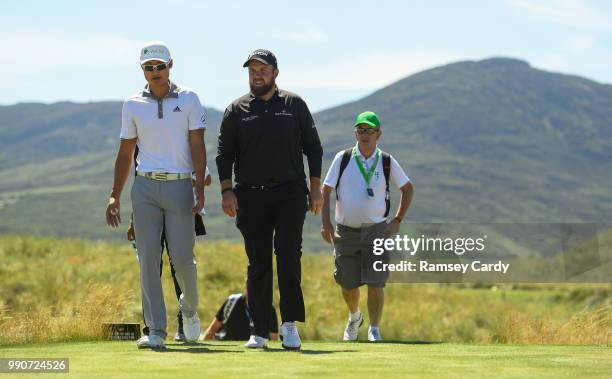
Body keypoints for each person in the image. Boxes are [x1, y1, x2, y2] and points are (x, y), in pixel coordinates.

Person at [216, 49, 323, 350]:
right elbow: (225, 155)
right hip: (249, 195)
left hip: (290, 192)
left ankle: (289, 325)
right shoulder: (236, 110)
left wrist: (315, 188)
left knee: (288, 255)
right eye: (252, 70)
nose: (257, 74)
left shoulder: (294, 105)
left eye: (263, 69)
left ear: (275, 72)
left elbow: (313, 148)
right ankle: (260, 330)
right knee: (258, 262)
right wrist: (226, 191)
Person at [106, 41, 207, 349]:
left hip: (180, 186)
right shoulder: (132, 103)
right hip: (145, 187)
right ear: (143, 70)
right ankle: (156, 330)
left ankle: (188, 311)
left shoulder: (189, 99)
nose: (155, 72)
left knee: (182, 260)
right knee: (147, 259)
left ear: (170, 66)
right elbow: (125, 153)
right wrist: (114, 195)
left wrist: (199, 188)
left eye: (160, 66)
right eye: (149, 67)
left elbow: (197, 145)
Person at [321, 111, 413, 342]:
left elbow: (407, 188)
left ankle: (374, 329)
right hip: (346, 231)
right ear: (355, 133)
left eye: (369, 130)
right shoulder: (342, 158)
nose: (365, 134)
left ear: (378, 134)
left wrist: (398, 220)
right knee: (347, 283)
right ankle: (355, 316)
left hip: (377, 230)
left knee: (376, 282)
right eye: (361, 130)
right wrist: (326, 224)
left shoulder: (386, 161)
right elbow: (326, 190)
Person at [127, 148, 212, 341]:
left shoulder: (180, 142)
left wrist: (178, 179)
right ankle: (153, 328)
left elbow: (205, 178)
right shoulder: (141, 151)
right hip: (151, 212)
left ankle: (185, 321)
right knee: (150, 266)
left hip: (182, 207)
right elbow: (140, 186)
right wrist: (133, 220)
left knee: (180, 267)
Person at [202, 288, 279, 341]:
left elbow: (274, 338)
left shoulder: (269, 308)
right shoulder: (232, 301)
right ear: (246, 287)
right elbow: (212, 328)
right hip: (227, 344)